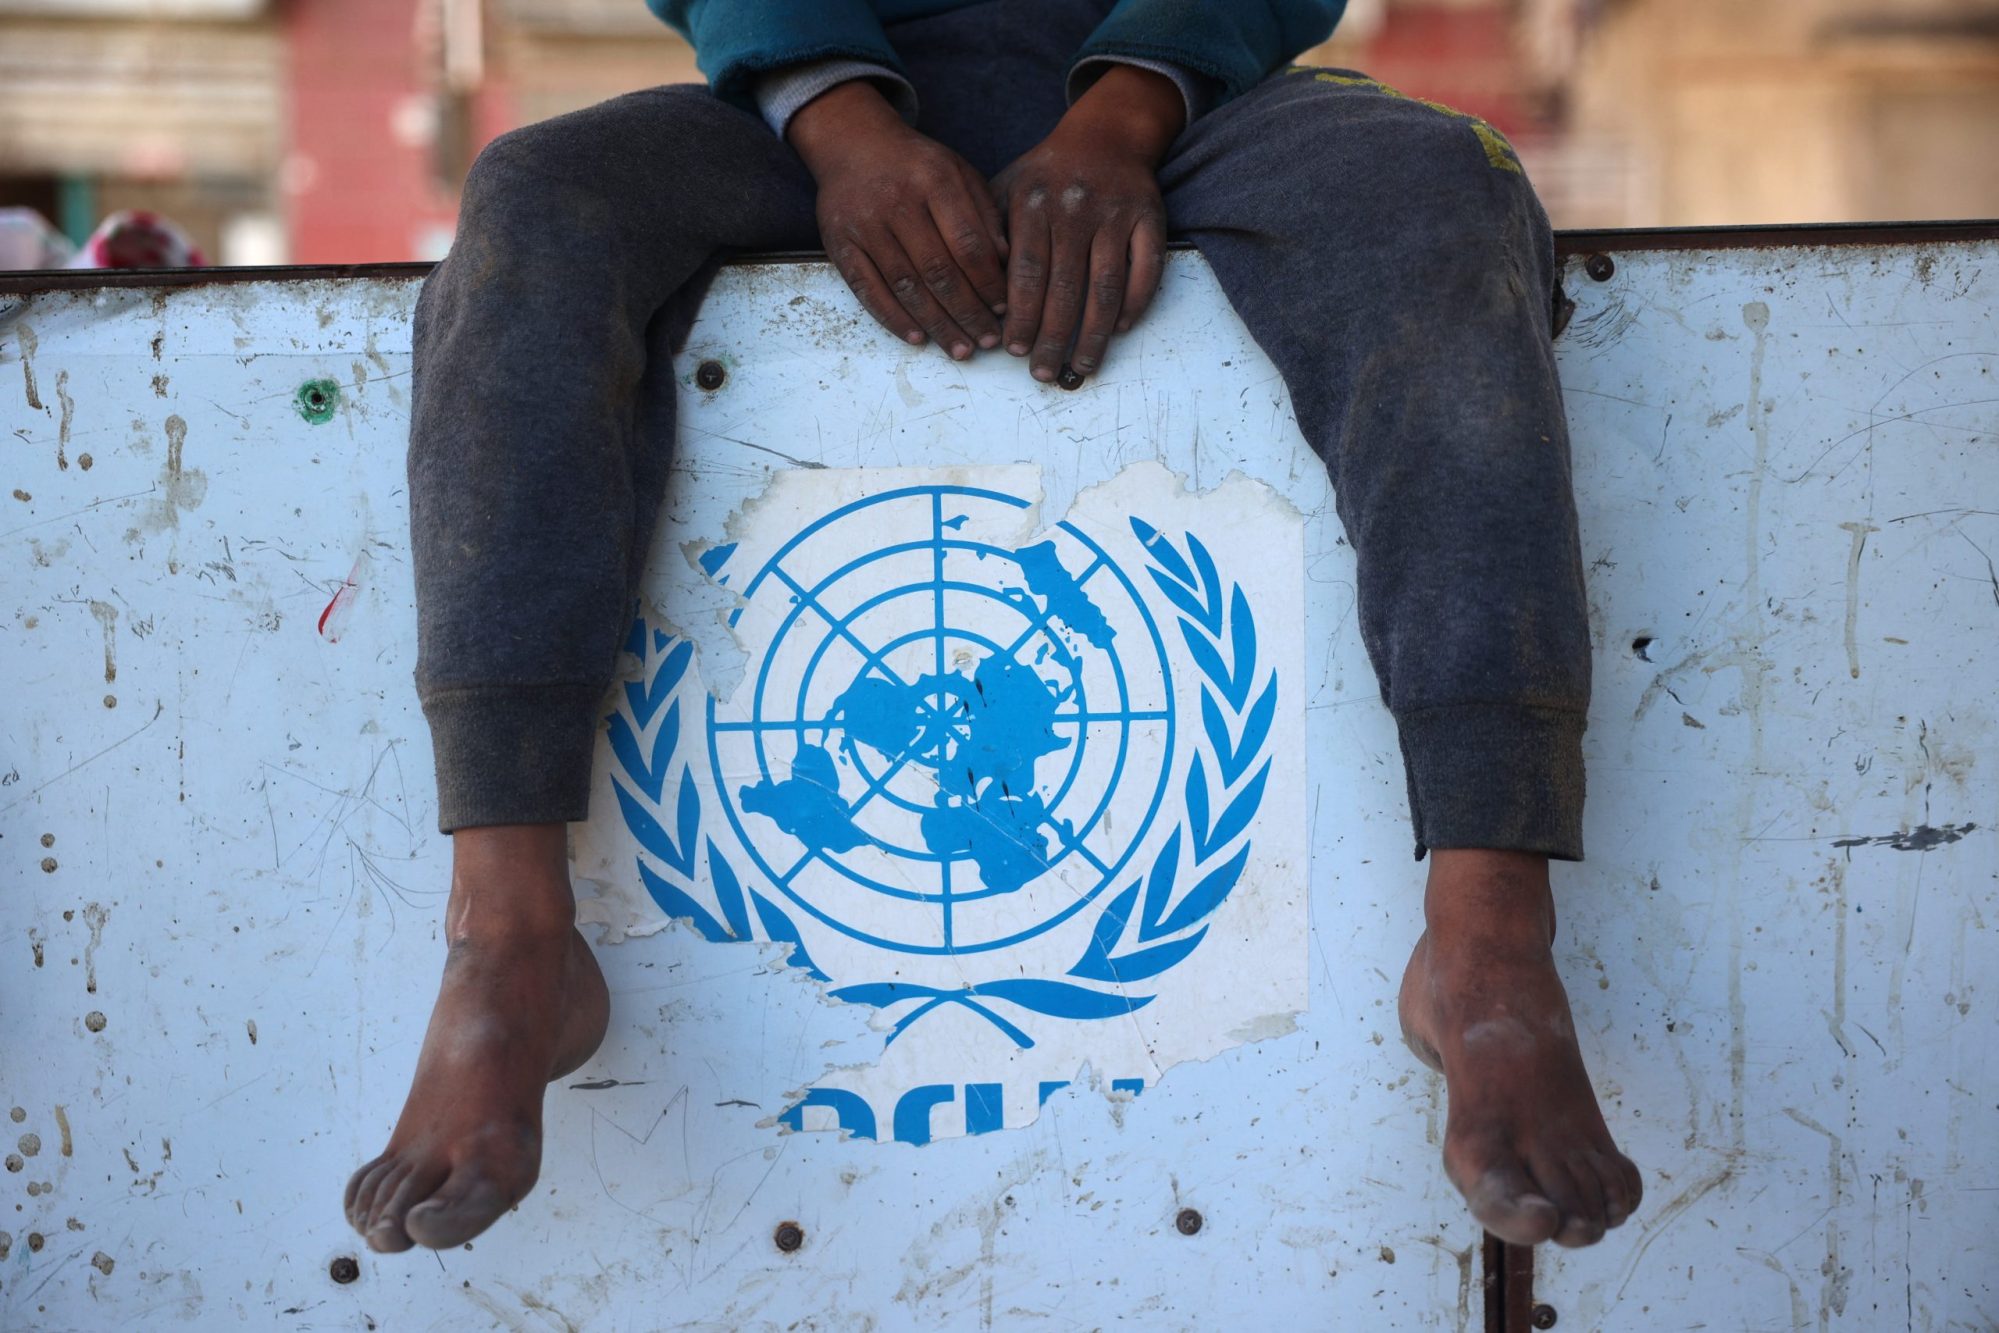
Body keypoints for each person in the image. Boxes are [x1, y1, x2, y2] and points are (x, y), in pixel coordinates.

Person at [343, 0, 1643, 1256]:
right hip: (813, 108)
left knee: (1442, 184)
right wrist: (842, 125)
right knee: (531, 202)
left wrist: (1125, 113)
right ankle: (508, 938)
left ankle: (1486, 943)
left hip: (1193, 96)